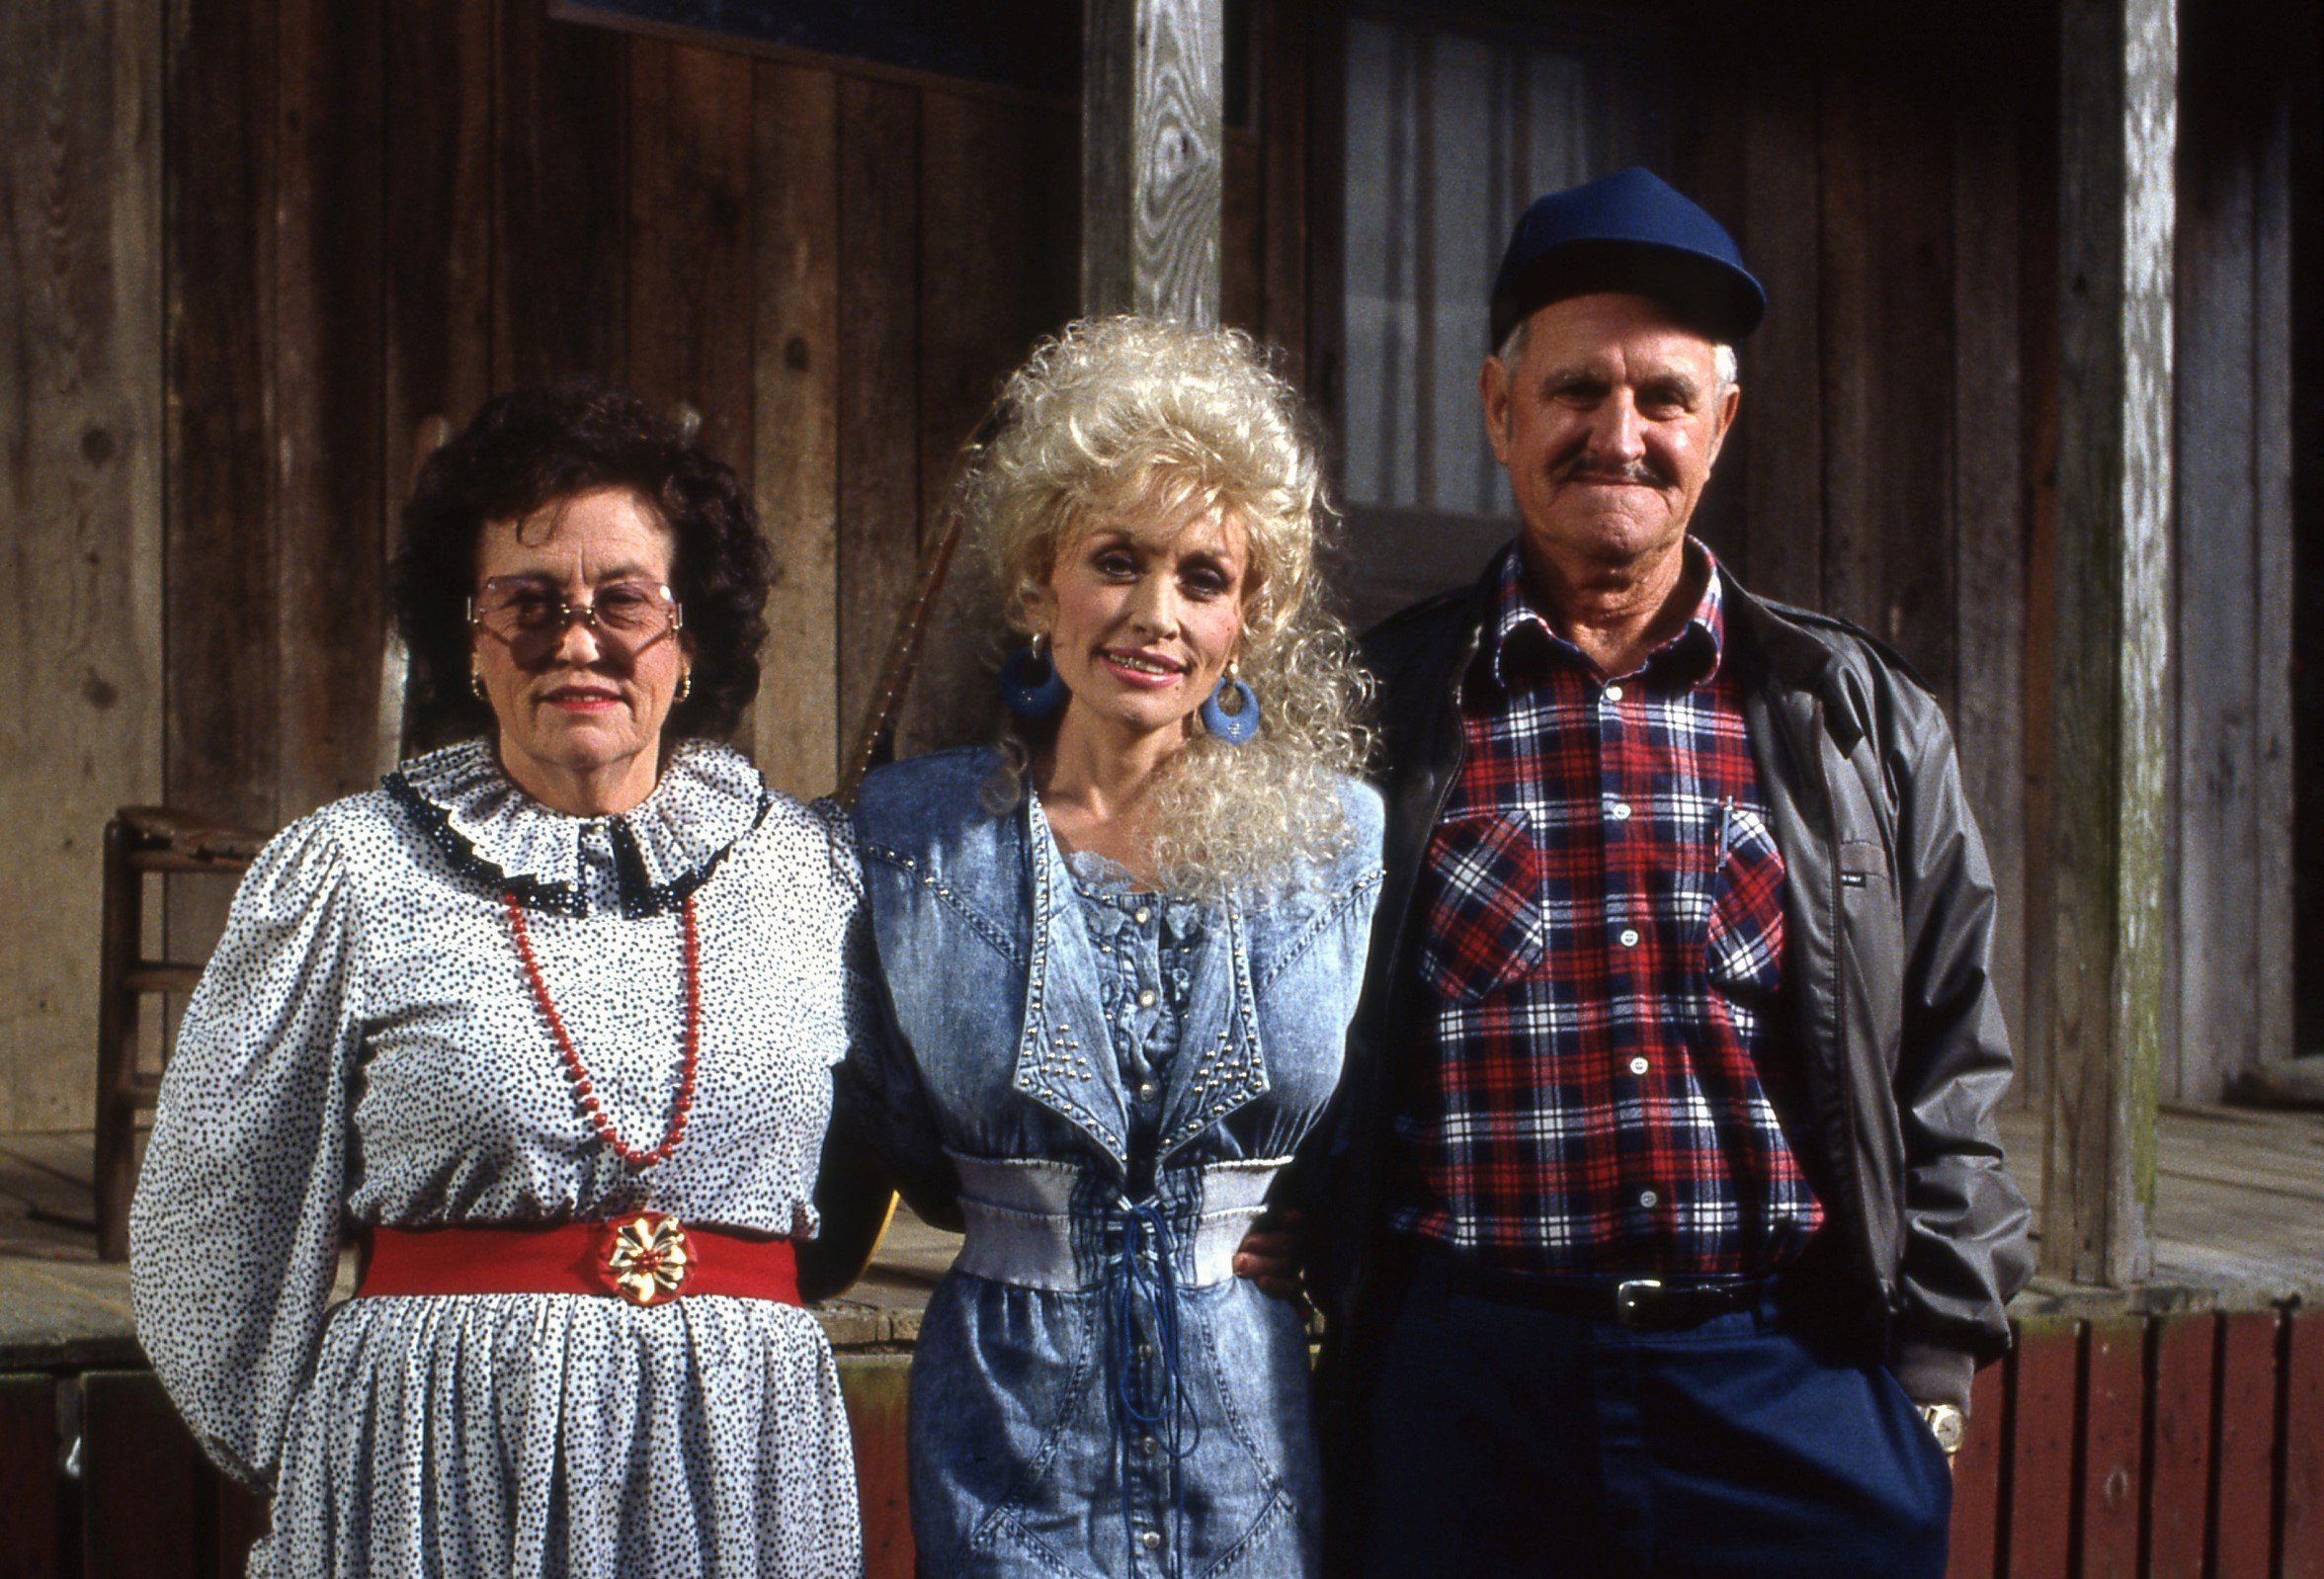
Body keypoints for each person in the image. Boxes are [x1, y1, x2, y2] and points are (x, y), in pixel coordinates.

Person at [1299, 168, 2034, 1577]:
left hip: (1790, 1385)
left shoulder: (1856, 718)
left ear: (1722, 424)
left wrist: (1933, 1371)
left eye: (1663, 398)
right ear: (1499, 409)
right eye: (1577, 390)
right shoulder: (1377, 711)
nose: (1619, 434)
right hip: (1463, 1400)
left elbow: (1954, 1060)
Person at [131, 383, 864, 1578]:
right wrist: (337, 1442)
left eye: (624, 600)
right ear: (468, 640)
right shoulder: (351, 870)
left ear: (689, 637)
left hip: (737, 1459)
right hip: (436, 1457)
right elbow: (213, 1215)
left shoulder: (813, 871)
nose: (577, 641)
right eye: (527, 603)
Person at [836, 316, 1383, 1578]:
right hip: (1008, 1437)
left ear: (1248, 618)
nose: (1154, 614)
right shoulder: (913, 839)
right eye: (1116, 561)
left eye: (1203, 577)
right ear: (1040, 582)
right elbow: (884, 1124)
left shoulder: (1335, 842)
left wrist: (1298, 1221)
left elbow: (1378, 1119)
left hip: (1250, 1446)